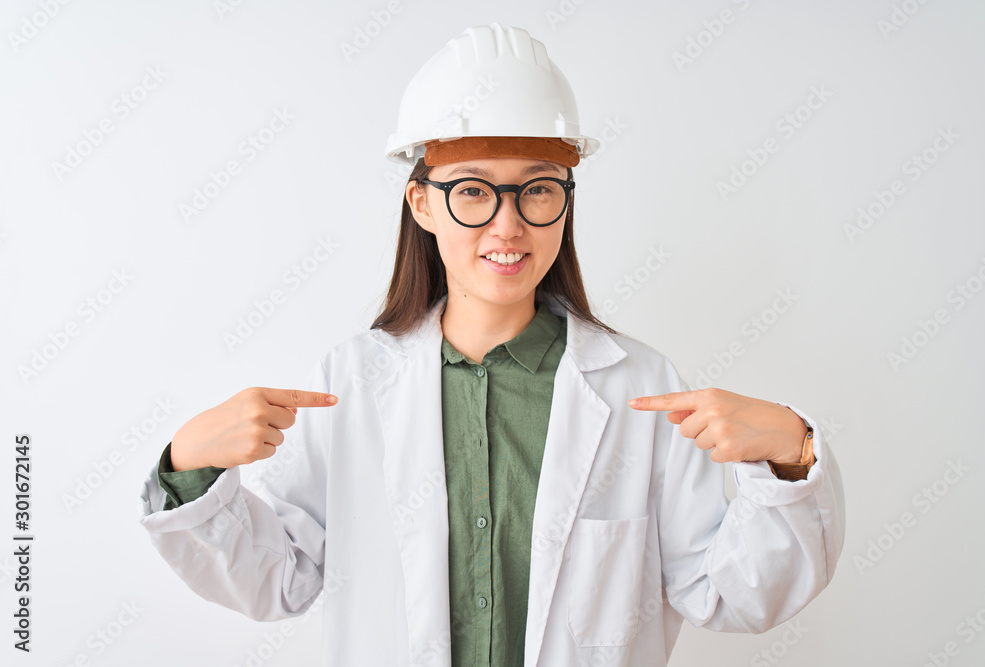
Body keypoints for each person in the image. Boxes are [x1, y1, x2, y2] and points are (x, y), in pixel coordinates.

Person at [138, 22, 845, 666]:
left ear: (565, 200)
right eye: (473, 191)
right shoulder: (350, 382)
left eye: (537, 190)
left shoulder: (640, 386)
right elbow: (279, 578)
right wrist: (191, 467)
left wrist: (789, 455)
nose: (509, 226)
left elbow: (726, 591)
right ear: (422, 203)